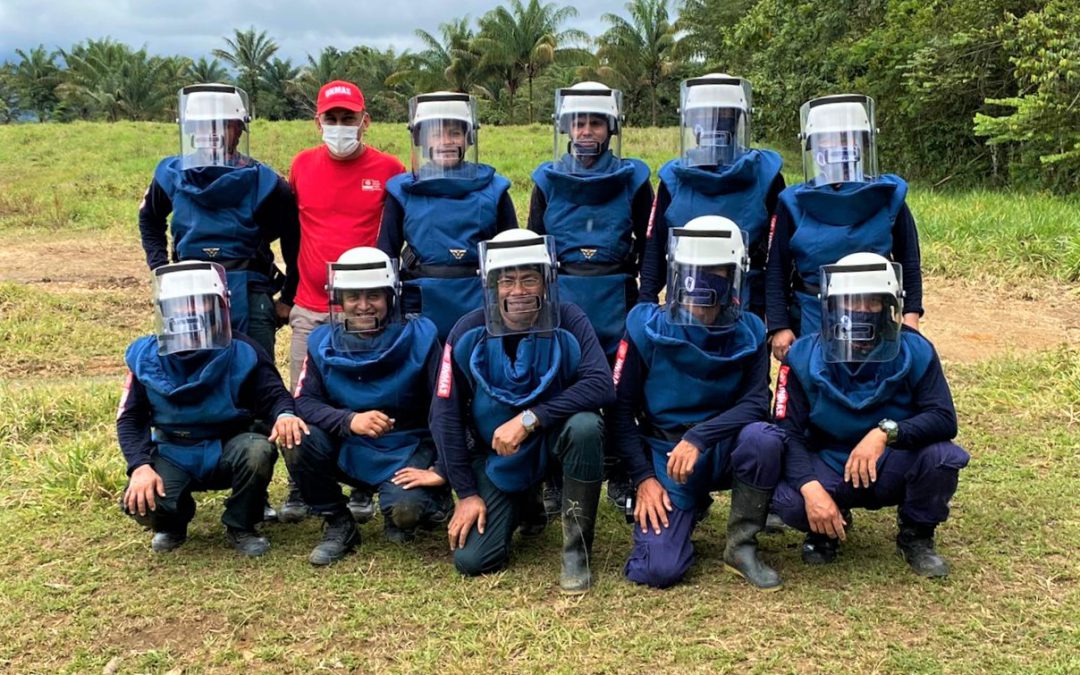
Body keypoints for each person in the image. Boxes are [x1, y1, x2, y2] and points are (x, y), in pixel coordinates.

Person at [431, 229, 615, 593]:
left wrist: (530, 419)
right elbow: (445, 415)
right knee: (473, 561)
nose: (518, 291)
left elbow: (601, 385)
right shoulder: (466, 330)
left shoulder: (570, 319)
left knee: (585, 426)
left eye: (529, 278)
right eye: (507, 280)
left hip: (553, 443)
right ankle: (524, 503)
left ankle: (576, 551)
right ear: (492, 285)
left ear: (546, 282)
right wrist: (466, 493)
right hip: (497, 454)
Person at [770, 253, 969, 577]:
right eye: (852, 302)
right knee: (787, 498)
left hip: (891, 460)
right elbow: (787, 431)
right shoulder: (803, 355)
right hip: (832, 460)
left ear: (889, 306)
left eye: (872, 302)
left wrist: (886, 433)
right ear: (833, 305)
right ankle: (826, 528)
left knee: (941, 458)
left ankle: (916, 534)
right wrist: (811, 488)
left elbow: (944, 418)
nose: (861, 311)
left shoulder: (916, 349)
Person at [613, 216, 785, 590]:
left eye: (716, 274)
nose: (703, 288)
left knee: (764, 438)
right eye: (695, 274)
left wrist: (700, 437)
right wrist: (643, 478)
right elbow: (620, 412)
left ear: (733, 278)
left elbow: (757, 402)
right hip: (666, 454)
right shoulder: (644, 327)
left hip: (723, 446)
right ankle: (685, 510)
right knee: (658, 570)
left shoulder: (751, 330)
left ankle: (742, 545)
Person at [116, 262, 308, 556]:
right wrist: (140, 467)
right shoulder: (144, 356)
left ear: (217, 306)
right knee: (138, 501)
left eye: (199, 303)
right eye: (179, 306)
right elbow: (130, 418)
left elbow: (274, 395)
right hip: (173, 449)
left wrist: (284, 415)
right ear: (165, 309)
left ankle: (242, 524)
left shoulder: (243, 349)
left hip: (228, 445)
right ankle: (173, 522)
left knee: (257, 451)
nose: (189, 313)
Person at [282, 80, 407, 523]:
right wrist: (285, 293)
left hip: (369, 310)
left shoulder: (391, 169)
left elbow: (400, 232)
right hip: (312, 308)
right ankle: (304, 484)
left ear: (365, 121)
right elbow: (291, 230)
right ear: (318, 122)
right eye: (331, 119)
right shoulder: (301, 166)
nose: (339, 127)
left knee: (369, 392)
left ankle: (363, 484)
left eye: (347, 119)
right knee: (305, 399)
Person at [527, 81, 653, 514]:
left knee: (621, 387)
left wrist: (646, 300)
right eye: (578, 122)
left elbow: (649, 242)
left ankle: (619, 470)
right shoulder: (547, 178)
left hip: (616, 292)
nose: (585, 131)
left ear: (611, 127)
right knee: (559, 382)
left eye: (595, 122)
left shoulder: (634, 177)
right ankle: (555, 478)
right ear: (565, 126)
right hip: (564, 296)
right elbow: (535, 245)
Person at [287, 248, 451, 565]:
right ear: (340, 300)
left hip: (407, 444)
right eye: (353, 297)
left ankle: (433, 503)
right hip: (350, 442)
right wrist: (349, 420)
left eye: (373, 295)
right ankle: (337, 522)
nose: (363, 305)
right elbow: (304, 402)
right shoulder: (321, 340)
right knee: (297, 439)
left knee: (405, 512)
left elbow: (445, 406)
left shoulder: (421, 335)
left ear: (390, 296)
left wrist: (443, 468)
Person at [138, 83, 298, 359]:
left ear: (238, 130)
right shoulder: (170, 175)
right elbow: (149, 219)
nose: (210, 135)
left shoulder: (266, 182)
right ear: (189, 129)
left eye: (222, 125)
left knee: (255, 375)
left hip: (249, 291)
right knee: (192, 373)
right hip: (188, 291)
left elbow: (294, 239)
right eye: (201, 126)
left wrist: (287, 296)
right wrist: (161, 268)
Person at [767, 94, 923, 364]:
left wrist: (910, 316)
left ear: (862, 143)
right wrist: (779, 326)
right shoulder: (793, 202)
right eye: (828, 139)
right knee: (814, 385)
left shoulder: (889, 196)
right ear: (813, 147)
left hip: (876, 311)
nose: (838, 147)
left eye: (846, 138)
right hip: (813, 313)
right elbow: (777, 269)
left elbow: (908, 260)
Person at [638, 74, 785, 320]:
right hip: (685, 302)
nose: (715, 126)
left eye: (724, 118)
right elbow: (655, 248)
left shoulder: (766, 175)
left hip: (747, 306)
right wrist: (644, 305)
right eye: (705, 118)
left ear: (738, 121)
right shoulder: (673, 179)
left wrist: (777, 320)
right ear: (691, 124)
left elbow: (777, 256)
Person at [378, 92, 517, 342]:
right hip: (419, 308)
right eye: (436, 132)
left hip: (480, 305)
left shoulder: (494, 189)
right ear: (420, 138)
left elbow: (513, 257)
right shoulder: (401, 191)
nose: (446, 140)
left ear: (468, 137)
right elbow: (386, 254)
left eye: (454, 132)